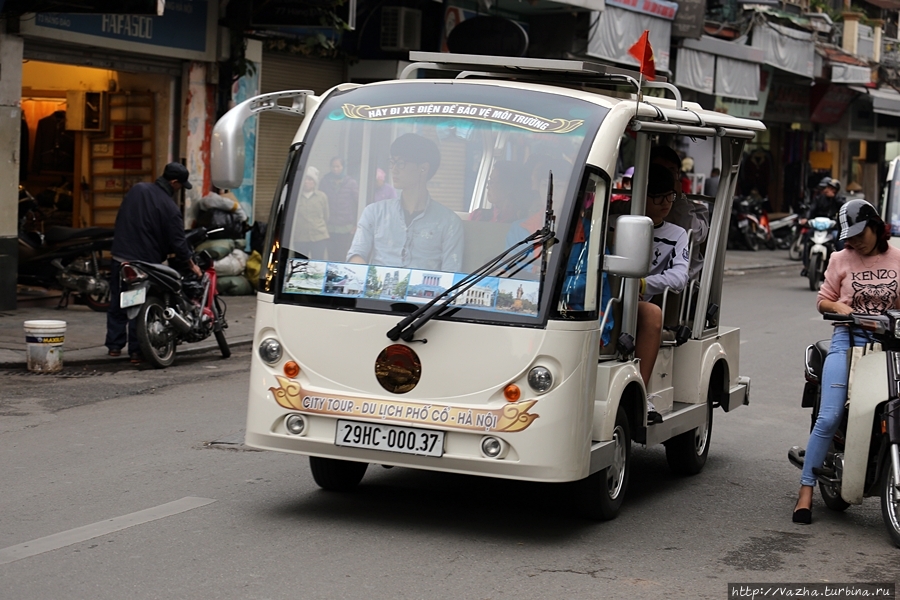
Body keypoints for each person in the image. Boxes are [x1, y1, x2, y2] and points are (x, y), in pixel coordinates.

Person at [792, 199, 900, 524]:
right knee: (829, 415)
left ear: (875, 226)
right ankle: (806, 491)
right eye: (848, 236)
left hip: (890, 344)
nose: (853, 240)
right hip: (847, 341)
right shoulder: (840, 258)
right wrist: (840, 309)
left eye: (858, 233)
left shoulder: (897, 257)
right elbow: (823, 300)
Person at [105, 162, 202, 363]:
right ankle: (135, 352)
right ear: (173, 182)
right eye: (179, 186)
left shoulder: (137, 189)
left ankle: (114, 346)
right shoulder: (170, 207)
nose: (179, 190)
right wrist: (191, 263)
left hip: (120, 257)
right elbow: (178, 242)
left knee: (118, 301)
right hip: (143, 264)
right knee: (137, 304)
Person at [348, 133, 464, 271]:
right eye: (392, 162)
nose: (394, 169)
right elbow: (356, 254)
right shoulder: (374, 212)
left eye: (401, 163)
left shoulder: (449, 222)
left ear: (423, 168)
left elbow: (451, 274)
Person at [635, 163, 689, 422]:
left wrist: (644, 285)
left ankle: (640, 395)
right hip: (604, 297)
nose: (665, 203)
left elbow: (680, 277)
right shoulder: (615, 223)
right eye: (658, 197)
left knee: (653, 314)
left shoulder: (677, 235)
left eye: (670, 196)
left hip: (638, 301)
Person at [651, 145, 709, 280]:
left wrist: (679, 198)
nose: (665, 178)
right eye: (659, 172)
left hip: (679, 287)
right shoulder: (633, 207)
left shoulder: (697, 211)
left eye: (670, 172)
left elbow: (695, 234)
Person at [800, 178, 845, 275]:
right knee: (807, 237)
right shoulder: (819, 198)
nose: (828, 190)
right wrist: (806, 219)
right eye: (828, 187)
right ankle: (806, 265)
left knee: (840, 240)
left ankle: (843, 265)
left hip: (832, 227)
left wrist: (835, 198)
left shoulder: (839, 199)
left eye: (832, 188)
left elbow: (844, 208)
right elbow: (811, 209)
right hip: (818, 226)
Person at [319, 157, 359, 262]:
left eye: (338, 166)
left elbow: (357, 204)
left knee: (343, 255)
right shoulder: (325, 181)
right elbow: (320, 203)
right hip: (329, 226)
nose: (335, 169)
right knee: (331, 255)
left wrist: (356, 224)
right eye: (333, 166)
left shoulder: (351, 182)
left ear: (343, 167)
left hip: (346, 227)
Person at [470, 161, 534, 223]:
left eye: (492, 182)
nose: (488, 187)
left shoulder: (523, 221)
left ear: (509, 186)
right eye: (489, 181)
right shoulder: (477, 216)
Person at [293, 166, 330, 260]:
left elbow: (326, 216)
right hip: (301, 238)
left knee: (317, 265)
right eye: (305, 179)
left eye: (310, 179)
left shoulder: (322, 196)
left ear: (315, 182)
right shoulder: (296, 197)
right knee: (300, 265)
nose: (307, 182)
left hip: (319, 237)